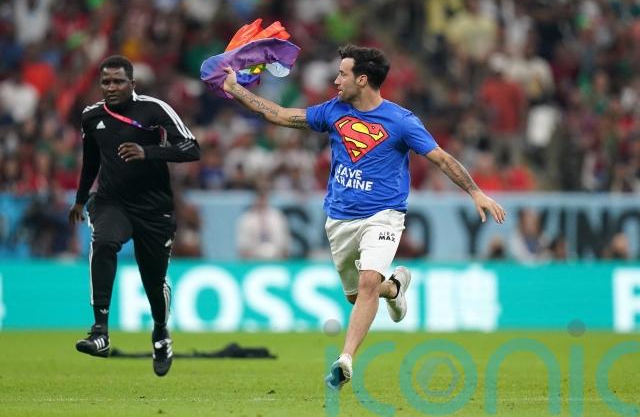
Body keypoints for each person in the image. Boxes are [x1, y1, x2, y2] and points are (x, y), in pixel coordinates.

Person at [222, 44, 506, 391]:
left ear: (362, 79)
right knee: (358, 295)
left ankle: (345, 360)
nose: (335, 80)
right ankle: (395, 287)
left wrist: (475, 191)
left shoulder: (401, 121)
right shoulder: (333, 111)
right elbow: (280, 115)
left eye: (342, 74)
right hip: (340, 218)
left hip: (384, 215)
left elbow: (441, 158)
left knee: (368, 282)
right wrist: (236, 89)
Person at [68, 55, 200, 376]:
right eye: (106, 82)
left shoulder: (154, 110)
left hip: (154, 209)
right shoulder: (91, 116)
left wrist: (148, 152)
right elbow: (91, 161)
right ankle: (100, 331)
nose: (111, 87)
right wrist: (80, 200)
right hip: (111, 202)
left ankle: (160, 332)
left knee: (153, 283)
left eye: (118, 81)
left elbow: (192, 148)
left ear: (132, 84)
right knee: (104, 242)